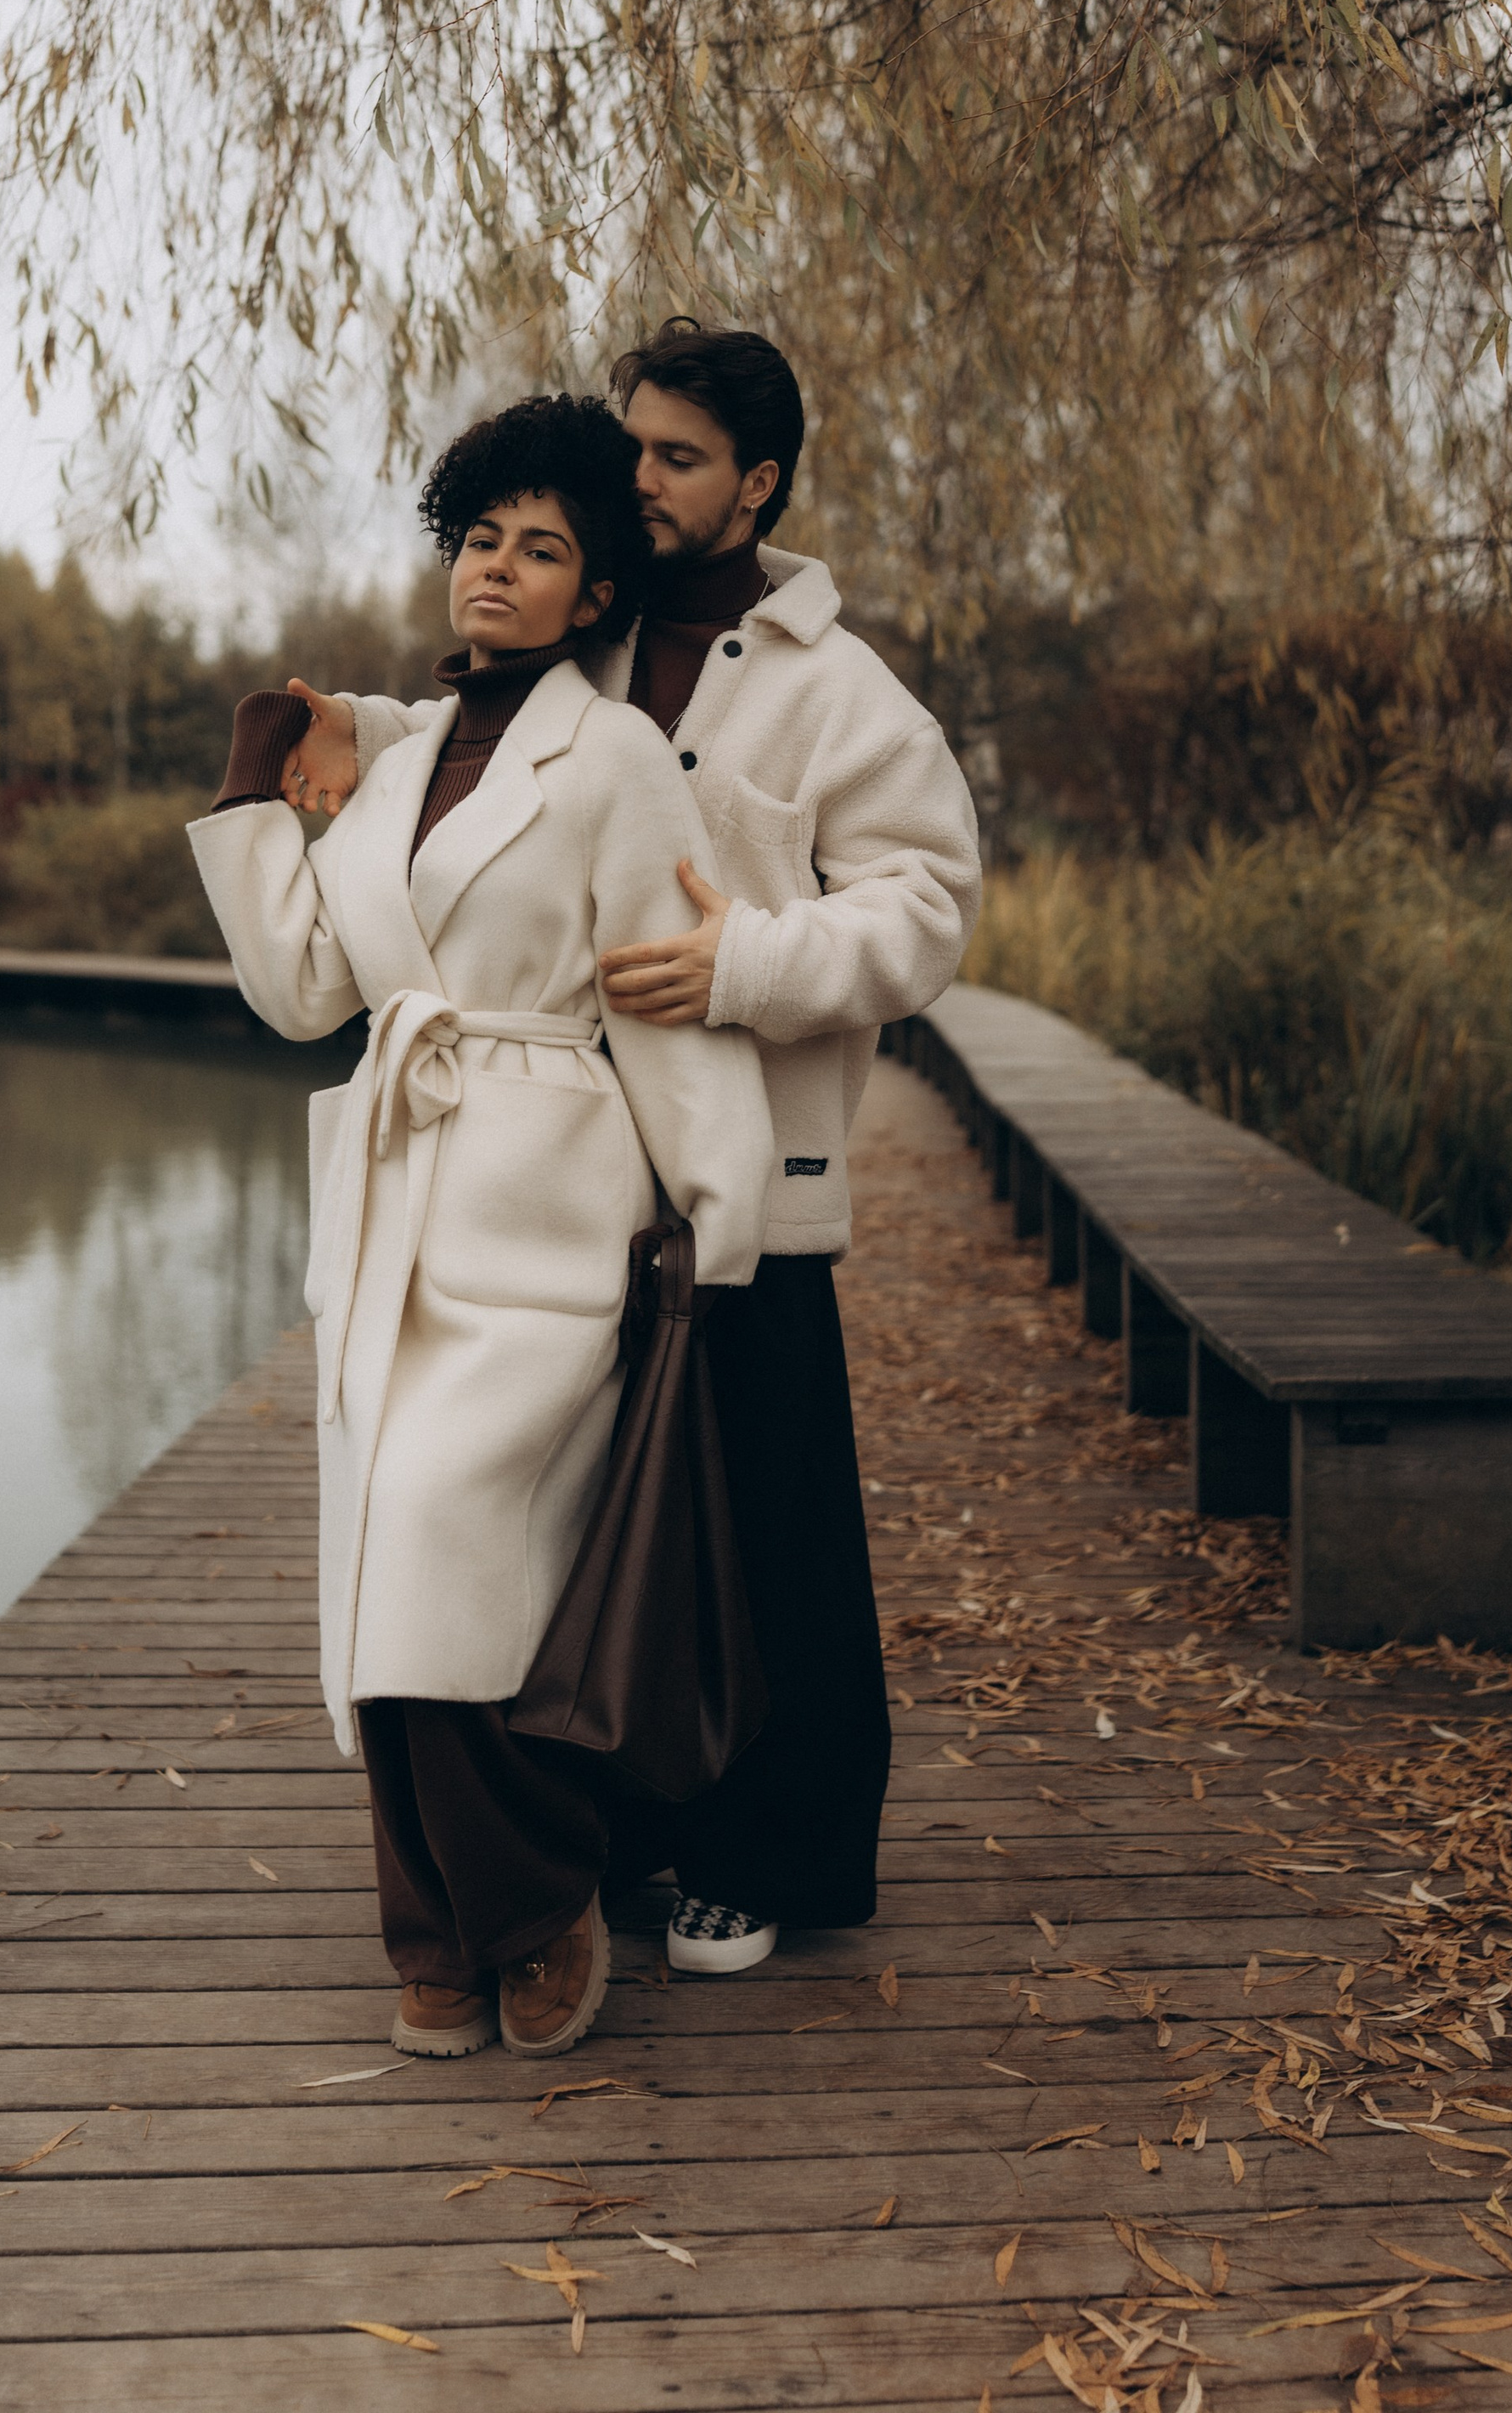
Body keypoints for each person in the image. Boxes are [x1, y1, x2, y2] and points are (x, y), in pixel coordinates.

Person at [279, 325, 983, 1975]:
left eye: (677, 458)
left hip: (758, 1174)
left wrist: (745, 959)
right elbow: (460, 743)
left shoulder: (837, 690)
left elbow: (927, 912)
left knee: (766, 1527)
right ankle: (628, 1841)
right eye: (634, 449)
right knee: (592, 1529)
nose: (643, 481)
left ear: (758, 484)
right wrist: (340, 730)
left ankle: (778, 1855)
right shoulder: (583, 643)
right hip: (564, 1183)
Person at [189, 395, 772, 2059]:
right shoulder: (391, 773)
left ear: (594, 595)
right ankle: (434, 1932)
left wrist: (712, 1228)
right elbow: (307, 987)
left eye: (540, 551)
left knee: (450, 1534)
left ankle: (531, 1896)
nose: (495, 575)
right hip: (385, 1203)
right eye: (478, 542)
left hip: (547, 1196)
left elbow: (663, 1005)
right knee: (381, 1562)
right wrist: (252, 802)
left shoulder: (612, 763)